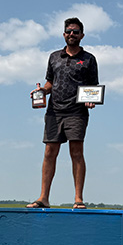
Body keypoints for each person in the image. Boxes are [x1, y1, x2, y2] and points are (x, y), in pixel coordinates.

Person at [27, 17, 98, 209]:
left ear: (82, 35)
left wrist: (91, 99)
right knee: (49, 152)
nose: (72, 34)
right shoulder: (54, 57)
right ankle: (43, 198)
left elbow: (93, 87)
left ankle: (78, 199)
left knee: (76, 152)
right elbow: (50, 82)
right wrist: (42, 91)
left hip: (77, 111)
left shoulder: (89, 59)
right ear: (64, 34)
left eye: (75, 31)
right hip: (54, 111)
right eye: (68, 31)